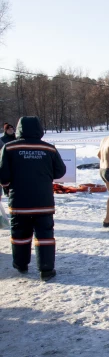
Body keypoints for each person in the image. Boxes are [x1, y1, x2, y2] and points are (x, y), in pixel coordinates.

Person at [0, 116, 66, 281]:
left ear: (19, 129)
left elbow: (3, 176)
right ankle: (46, 269)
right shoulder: (49, 149)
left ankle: (21, 265)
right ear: (39, 129)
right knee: (45, 234)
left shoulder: (9, 148)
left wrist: (9, 185)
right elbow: (60, 172)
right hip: (43, 201)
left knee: (20, 234)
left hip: (19, 202)